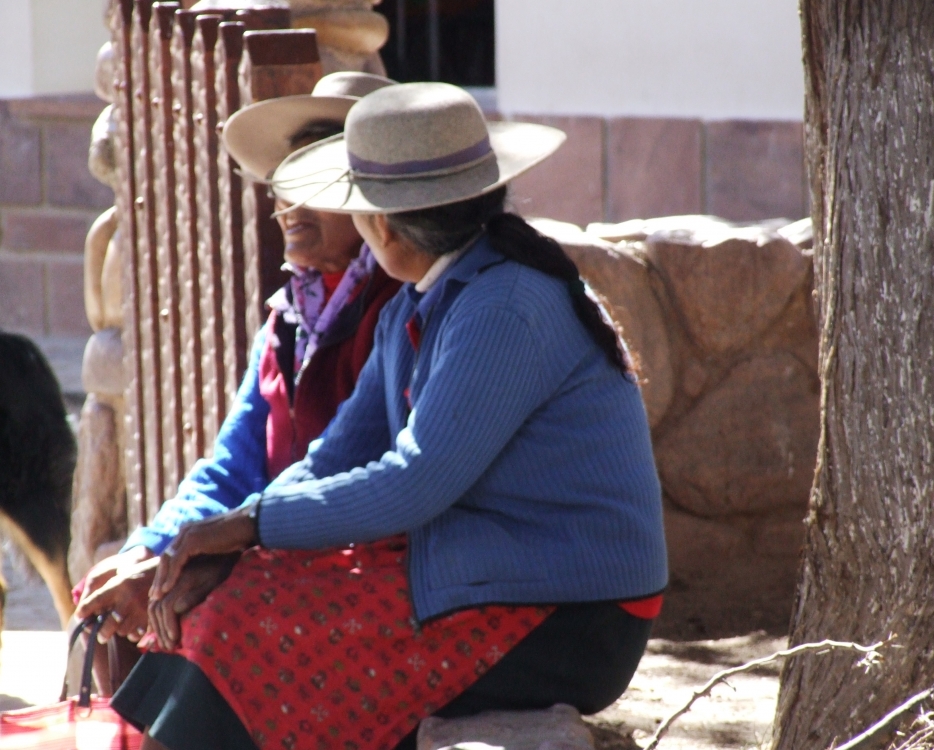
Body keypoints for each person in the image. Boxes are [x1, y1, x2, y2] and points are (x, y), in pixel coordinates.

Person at [106, 82, 669, 750]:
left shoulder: (505, 306)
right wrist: (236, 545)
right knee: (227, 599)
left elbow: (415, 480)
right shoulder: (418, 305)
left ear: (386, 225)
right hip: (489, 578)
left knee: (242, 628)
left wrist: (249, 525)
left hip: (572, 617)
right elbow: (335, 456)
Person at [74, 72, 401, 686]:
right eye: (284, 179)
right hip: (272, 537)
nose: (289, 203)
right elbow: (232, 465)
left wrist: (232, 552)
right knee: (118, 597)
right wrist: (155, 547)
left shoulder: (398, 305)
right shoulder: (288, 319)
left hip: (349, 555)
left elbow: (363, 475)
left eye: (316, 178)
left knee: (208, 613)